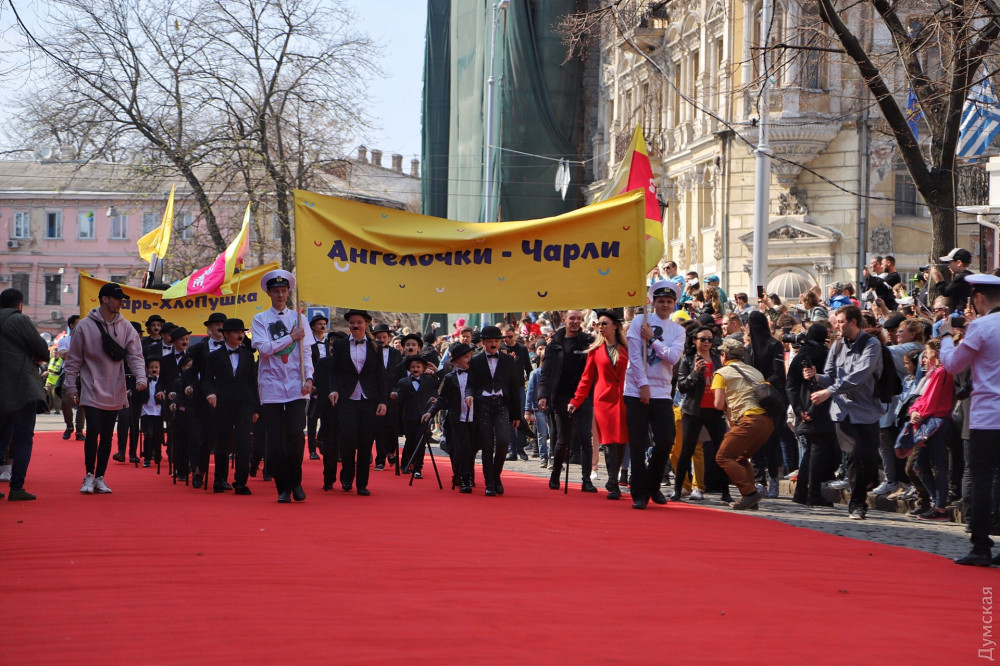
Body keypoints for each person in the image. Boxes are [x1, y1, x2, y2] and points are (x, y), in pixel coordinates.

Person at [939, 274, 1000, 566]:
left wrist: (945, 337)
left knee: (981, 479)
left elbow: (952, 364)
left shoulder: (982, 327)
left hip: (988, 416)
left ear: (977, 299)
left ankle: (980, 545)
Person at [64, 283, 147, 495]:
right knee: (92, 430)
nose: (121, 303)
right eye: (117, 298)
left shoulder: (126, 327)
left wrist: (141, 377)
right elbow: (73, 360)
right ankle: (89, 475)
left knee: (108, 435)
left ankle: (100, 477)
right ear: (104, 299)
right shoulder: (84, 326)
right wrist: (71, 386)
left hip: (115, 387)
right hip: (91, 386)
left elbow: (135, 355)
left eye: (122, 299)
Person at [806, 305, 883, 520]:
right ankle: (857, 503)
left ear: (853, 322)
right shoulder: (837, 346)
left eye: (840, 321)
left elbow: (860, 376)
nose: (836, 326)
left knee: (868, 458)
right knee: (853, 454)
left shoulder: (871, 344)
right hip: (842, 410)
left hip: (867, 410)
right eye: (835, 322)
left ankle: (865, 488)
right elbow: (830, 375)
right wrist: (816, 376)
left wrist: (828, 391)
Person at [252, 269, 314, 503]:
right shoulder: (260, 320)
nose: (280, 294)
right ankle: (282, 487)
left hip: (296, 386)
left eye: (284, 290)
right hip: (272, 387)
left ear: (289, 292)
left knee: (297, 436)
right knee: (276, 440)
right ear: (269, 293)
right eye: (276, 291)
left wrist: (309, 378)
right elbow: (264, 349)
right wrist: (291, 337)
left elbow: (306, 352)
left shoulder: (299, 319)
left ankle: (296, 481)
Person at [568, 310, 629, 500]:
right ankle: (613, 482)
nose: (601, 327)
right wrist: (576, 401)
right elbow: (586, 379)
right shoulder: (595, 350)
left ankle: (613, 479)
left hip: (624, 399)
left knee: (621, 442)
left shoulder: (627, 349)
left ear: (615, 326)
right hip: (603, 400)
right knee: (610, 442)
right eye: (599, 324)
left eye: (604, 324)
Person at [711, 338, 775, 510]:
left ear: (724, 355)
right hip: (767, 421)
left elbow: (718, 404)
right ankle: (750, 499)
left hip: (748, 420)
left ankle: (749, 493)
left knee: (723, 457)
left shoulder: (722, 373)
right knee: (739, 458)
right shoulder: (755, 371)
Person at [328, 309, 385, 496]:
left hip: (369, 400)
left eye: (359, 322)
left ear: (366, 324)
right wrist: (334, 389)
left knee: (365, 443)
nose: (355, 325)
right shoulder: (341, 346)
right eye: (352, 322)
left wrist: (383, 401)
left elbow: (381, 376)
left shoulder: (375, 346)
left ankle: (362, 484)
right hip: (347, 399)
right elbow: (334, 371)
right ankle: (346, 478)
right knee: (348, 440)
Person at [539, 310, 597, 493]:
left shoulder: (588, 341)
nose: (575, 321)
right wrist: (543, 395)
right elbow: (546, 372)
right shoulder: (554, 344)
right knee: (562, 438)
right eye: (572, 318)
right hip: (561, 396)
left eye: (579, 319)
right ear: (564, 320)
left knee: (584, 438)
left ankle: (586, 480)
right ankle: (555, 474)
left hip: (583, 395)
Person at [0, 288, 50, 501]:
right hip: (21, 388)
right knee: (23, 439)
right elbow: (42, 349)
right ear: (19, 304)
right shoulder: (19, 320)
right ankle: (17, 487)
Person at [203, 318, 259, 495]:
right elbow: (206, 379)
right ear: (225, 334)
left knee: (244, 442)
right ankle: (220, 479)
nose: (240, 335)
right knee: (223, 441)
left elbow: (253, 383)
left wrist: (256, 408)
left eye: (242, 332)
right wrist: (210, 393)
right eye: (236, 332)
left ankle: (241, 482)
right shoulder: (214, 356)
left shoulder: (248, 356)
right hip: (223, 403)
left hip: (245, 403)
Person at [465, 325, 522, 496]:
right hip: (483, 405)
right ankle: (489, 482)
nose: (493, 344)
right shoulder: (475, 361)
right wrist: (469, 396)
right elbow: (470, 384)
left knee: (504, 442)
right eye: (490, 341)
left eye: (496, 341)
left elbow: (515, 387)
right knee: (487, 445)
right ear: (483, 342)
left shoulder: (508, 360)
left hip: (502, 405)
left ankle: (496, 476)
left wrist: (517, 414)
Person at [674, 325, 728, 503]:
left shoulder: (718, 359)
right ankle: (678, 489)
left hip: (714, 409)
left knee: (721, 450)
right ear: (694, 340)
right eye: (702, 339)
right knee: (687, 450)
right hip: (693, 410)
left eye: (709, 339)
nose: (706, 342)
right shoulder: (688, 360)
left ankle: (725, 491)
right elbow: (682, 386)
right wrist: (695, 372)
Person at [786, 324, 835, 506]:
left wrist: (799, 409)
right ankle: (813, 493)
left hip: (803, 408)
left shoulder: (799, 356)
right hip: (820, 407)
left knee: (810, 451)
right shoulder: (826, 355)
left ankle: (801, 493)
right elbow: (831, 381)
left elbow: (790, 387)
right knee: (817, 450)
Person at [745, 310, 786, 497]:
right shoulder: (749, 348)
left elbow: (779, 373)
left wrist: (760, 386)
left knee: (770, 441)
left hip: (769, 398)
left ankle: (771, 480)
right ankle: (761, 480)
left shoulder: (773, 345)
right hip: (759, 398)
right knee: (758, 442)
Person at [426, 342, 476, 492]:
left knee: (470, 448)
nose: (469, 360)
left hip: (474, 417)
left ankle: (468, 475)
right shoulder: (449, 377)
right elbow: (442, 398)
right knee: (459, 448)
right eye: (465, 357)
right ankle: (462, 477)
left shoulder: (477, 375)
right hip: (456, 417)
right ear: (455, 361)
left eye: (470, 357)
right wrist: (431, 412)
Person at [392, 355, 440, 477]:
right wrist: (395, 398)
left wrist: (437, 371)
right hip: (408, 416)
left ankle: (418, 467)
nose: (415, 369)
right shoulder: (403, 382)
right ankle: (406, 463)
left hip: (424, 416)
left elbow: (443, 382)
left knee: (421, 442)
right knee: (410, 441)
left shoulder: (429, 380)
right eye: (413, 367)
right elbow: (400, 400)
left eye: (418, 367)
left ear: (423, 368)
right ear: (409, 369)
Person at [371, 322, 402, 470]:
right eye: (378, 337)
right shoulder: (370, 351)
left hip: (392, 395)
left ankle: (391, 451)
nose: (381, 340)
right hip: (375, 395)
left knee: (391, 427)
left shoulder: (396, 354)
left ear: (389, 338)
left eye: (384, 337)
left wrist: (396, 390)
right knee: (378, 428)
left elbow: (399, 375)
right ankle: (380, 458)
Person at [59, 314, 85, 440]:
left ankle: (79, 430)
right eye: (78, 323)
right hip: (68, 374)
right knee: (65, 401)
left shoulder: (86, 340)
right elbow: (62, 354)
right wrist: (76, 352)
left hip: (83, 375)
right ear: (72, 325)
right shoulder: (64, 340)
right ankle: (69, 426)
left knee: (83, 403)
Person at [524, 340, 550, 468]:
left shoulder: (555, 373)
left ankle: (552, 457)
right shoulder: (535, 373)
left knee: (553, 433)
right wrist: (527, 410)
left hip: (552, 407)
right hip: (538, 407)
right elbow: (530, 392)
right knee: (542, 433)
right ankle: (544, 457)